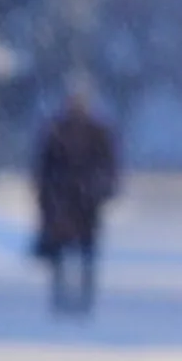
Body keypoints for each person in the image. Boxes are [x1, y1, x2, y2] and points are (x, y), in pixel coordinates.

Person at [32, 79, 122, 316]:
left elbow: (109, 164)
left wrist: (103, 189)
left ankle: (84, 297)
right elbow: (44, 166)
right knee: (61, 252)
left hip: (87, 201)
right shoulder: (56, 130)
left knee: (87, 252)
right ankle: (60, 296)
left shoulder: (97, 132)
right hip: (62, 200)